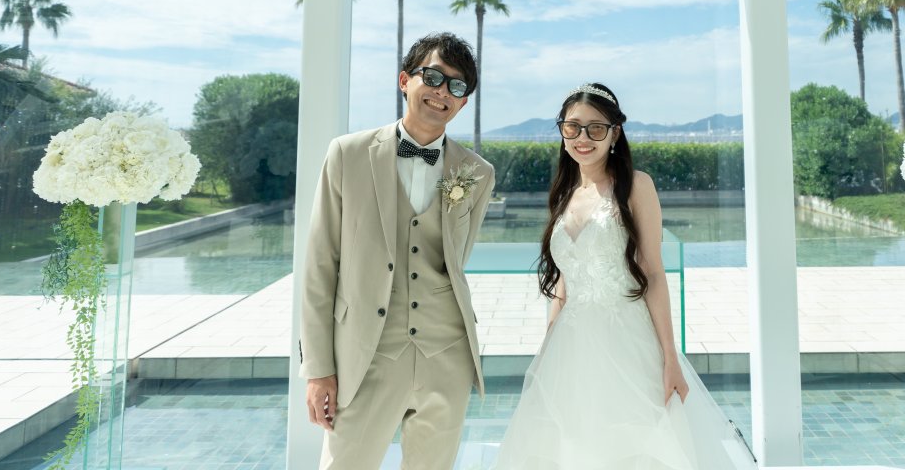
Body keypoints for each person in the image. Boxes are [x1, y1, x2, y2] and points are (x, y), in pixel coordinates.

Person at [492, 83, 755, 469]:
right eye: (572, 127)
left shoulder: (636, 186)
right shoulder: (565, 192)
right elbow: (563, 281)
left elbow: (652, 271)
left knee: (636, 447)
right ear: (562, 131)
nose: (583, 138)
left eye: (595, 128)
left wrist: (669, 355)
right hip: (570, 344)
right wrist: (547, 347)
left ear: (615, 133)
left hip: (628, 339)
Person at [299, 32, 496, 470]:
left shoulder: (477, 173)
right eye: (433, 77)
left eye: (457, 86)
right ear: (405, 80)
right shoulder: (347, 155)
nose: (443, 91)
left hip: (446, 353)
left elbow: (455, 260)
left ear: (463, 103)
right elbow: (318, 267)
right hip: (365, 355)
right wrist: (317, 369)